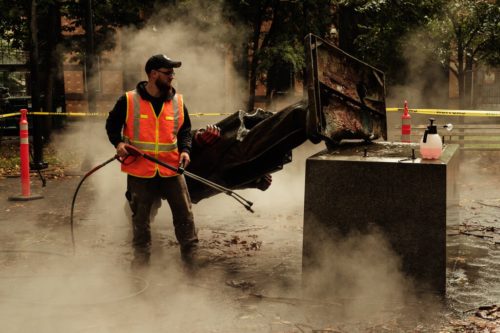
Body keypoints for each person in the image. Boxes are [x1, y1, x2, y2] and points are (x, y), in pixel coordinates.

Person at [105, 54, 198, 266]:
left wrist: (185, 150)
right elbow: (112, 125)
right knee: (140, 219)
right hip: (140, 170)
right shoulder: (129, 100)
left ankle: (191, 261)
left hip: (171, 169)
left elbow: (185, 130)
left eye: (173, 73)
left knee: (185, 216)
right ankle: (141, 263)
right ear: (153, 74)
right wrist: (118, 144)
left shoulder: (177, 101)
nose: (172, 77)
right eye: (168, 73)